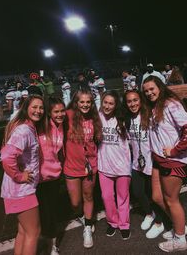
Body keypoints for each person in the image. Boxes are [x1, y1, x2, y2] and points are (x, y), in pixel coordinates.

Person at [142, 76, 187, 252]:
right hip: (159, 161)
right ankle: (179, 226)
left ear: (160, 87)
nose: (149, 93)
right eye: (146, 91)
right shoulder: (155, 107)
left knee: (171, 200)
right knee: (158, 198)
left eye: (152, 89)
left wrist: (175, 150)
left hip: (172, 161)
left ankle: (180, 239)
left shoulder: (170, 104)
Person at [123, 90, 171, 239]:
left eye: (135, 100)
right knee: (137, 192)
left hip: (152, 163)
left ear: (141, 100)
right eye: (129, 101)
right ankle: (149, 214)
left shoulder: (149, 116)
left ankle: (160, 222)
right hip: (137, 163)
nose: (133, 104)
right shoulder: (127, 119)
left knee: (155, 195)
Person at [0, 95, 45, 255]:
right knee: (33, 233)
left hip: (16, 191)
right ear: (26, 108)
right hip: (21, 190)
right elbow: (6, 156)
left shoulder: (26, 126)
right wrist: (19, 176)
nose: (38, 111)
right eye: (34, 107)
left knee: (23, 232)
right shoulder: (24, 130)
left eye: (41, 107)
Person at [63, 89, 102, 248]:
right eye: (82, 102)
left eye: (88, 102)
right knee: (75, 202)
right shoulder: (68, 115)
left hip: (90, 166)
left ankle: (87, 226)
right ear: (76, 103)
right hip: (72, 166)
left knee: (88, 196)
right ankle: (83, 216)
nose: (85, 105)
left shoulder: (94, 117)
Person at [98, 90, 131, 240]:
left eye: (111, 103)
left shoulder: (123, 119)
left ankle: (124, 224)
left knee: (122, 197)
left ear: (116, 105)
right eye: (105, 102)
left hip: (122, 166)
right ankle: (113, 222)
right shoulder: (97, 117)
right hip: (104, 166)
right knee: (106, 197)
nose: (107, 106)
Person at [37, 96, 66, 255]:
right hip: (38, 179)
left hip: (54, 177)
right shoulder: (39, 126)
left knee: (52, 212)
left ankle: (52, 245)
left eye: (62, 111)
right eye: (56, 112)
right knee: (41, 213)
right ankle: (42, 242)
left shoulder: (61, 126)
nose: (60, 114)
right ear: (49, 112)